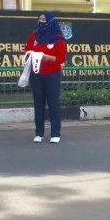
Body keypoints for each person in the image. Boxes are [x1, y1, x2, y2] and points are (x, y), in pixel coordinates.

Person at [24, 12, 67, 143]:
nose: (41, 22)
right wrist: (31, 55)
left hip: (52, 75)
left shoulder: (58, 38)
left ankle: (55, 133)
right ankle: (39, 133)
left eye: (44, 19)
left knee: (53, 103)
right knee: (38, 104)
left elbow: (61, 58)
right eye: (40, 19)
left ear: (50, 21)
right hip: (36, 74)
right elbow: (27, 51)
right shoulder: (35, 35)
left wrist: (44, 57)